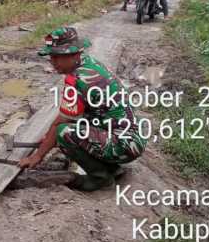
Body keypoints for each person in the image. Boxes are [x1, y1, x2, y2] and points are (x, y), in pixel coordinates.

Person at [18, 27, 147, 191]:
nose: (53, 62)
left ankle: (100, 178)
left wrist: (37, 156)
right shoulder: (90, 64)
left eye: (57, 57)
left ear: (73, 54)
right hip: (131, 138)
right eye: (51, 57)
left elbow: (61, 123)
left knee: (64, 133)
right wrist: (47, 139)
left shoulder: (78, 79)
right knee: (74, 126)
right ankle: (113, 169)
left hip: (125, 144)